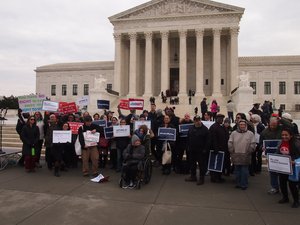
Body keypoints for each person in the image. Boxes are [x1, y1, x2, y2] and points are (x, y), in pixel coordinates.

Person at [228, 120, 256, 190]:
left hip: (245, 155)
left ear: (246, 125)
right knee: (237, 171)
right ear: (238, 125)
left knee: (244, 171)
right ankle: (238, 183)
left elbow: (253, 143)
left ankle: (244, 184)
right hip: (236, 154)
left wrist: (250, 150)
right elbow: (230, 142)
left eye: (243, 124)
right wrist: (231, 150)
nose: (242, 126)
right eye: (241, 125)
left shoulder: (250, 134)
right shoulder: (233, 133)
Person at [276, 128, 300, 208]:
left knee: (292, 185)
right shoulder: (281, 142)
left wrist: (295, 161)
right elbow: (277, 153)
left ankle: (296, 201)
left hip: (293, 168)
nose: (284, 136)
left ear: (291, 135)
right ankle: (285, 198)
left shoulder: (296, 143)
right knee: (282, 183)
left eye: (286, 135)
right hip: (283, 167)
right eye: (282, 135)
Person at [259, 117, 282, 194]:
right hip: (271, 155)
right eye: (271, 125)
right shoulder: (264, 132)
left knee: (283, 172)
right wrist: (262, 147)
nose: (273, 127)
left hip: (282, 155)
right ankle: (274, 187)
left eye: (275, 125)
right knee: (272, 172)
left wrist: (281, 119)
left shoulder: (281, 129)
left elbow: (290, 126)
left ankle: (283, 187)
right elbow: (260, 143)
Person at [185, 115, 209, 185]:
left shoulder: (205, 129)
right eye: (196, 120)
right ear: (194, 121)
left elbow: (208, 141)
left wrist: (205, 149)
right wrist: (188, 146)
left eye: (198, 120)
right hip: (192, 150)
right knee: (192, 164)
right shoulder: (191, 128)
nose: (197, 122)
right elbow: (188, 138)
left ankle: (201, 178)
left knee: (202, 165)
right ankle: (193, 176)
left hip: (201, 151)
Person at [209, 114, 227, 183]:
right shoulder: (214, 127)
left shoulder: (221, 126)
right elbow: (213, 139)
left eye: (222, 119)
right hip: (216, 149)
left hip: (222, 149)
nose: (222, 120)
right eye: (220, 119)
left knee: (220, 164)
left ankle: (219, 176)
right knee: (215, 164)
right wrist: (215, 148)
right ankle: (214, 178)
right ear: (217, 119)